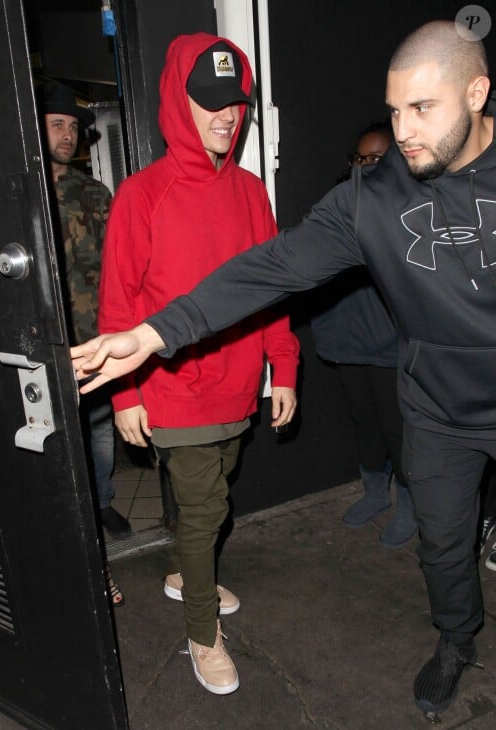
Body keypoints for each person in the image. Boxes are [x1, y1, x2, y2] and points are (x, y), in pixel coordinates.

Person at [71, 20, 496, 715]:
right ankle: (456, 640)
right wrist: (153, 334)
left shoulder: (251, 189)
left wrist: (278, 367)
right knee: (443, 548)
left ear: (477, 92)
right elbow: (268, 272)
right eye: (395, 110)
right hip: (439, 414)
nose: (404, 130)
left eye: (423, 108)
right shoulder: (374, 197)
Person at [96, 34, 299, 694]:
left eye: (234, 103)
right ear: (176, 105)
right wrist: (125, 395)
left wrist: (284, 366)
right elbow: (118, 302)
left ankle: (187, 569)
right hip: (172, 390)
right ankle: (200, 631)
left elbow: (272, 291)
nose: (225, 117)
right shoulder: (141, 194)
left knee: (212, 496)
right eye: (208, 103)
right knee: (208, 507)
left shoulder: (249, 192)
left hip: (237, 386)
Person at [38, 81, 130, 606]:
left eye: (74, 127)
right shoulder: (22, 193)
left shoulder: (94, 193)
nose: (68, 135)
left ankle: (100, 504)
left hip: (94, 340)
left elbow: (119, 265)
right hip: (47, 344)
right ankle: (64, 531)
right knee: (54, 441)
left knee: (97, 431)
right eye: (58, 124)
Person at [310, 120, 417, 548]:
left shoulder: (411, 203)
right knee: (365, 425)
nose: (365, 165)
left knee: (398, 431)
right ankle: (375, 493)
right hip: (348, 341)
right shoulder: (339, 203)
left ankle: (409, 503)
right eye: (360, 158)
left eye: (376, 158)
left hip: (392, 346)